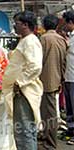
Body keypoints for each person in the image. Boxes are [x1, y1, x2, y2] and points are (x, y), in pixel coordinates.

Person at [2, 11, 43, 150]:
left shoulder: (30, 41)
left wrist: (19, 82)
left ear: (25, 25)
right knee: (23, 130)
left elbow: (35, 66)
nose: (14, 26)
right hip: (21, 90)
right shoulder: (25, 40)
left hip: (24, 91)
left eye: (17, 23)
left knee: (25, 131)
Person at [38, 14, 68, 150]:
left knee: (48, 113)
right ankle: (48, 138)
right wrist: (61, 78)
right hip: (56, 79)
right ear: (56, 26)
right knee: (50, 112)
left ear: (44, 25)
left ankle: (50, 143)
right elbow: (64, 62)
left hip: (45, 80)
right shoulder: (61, 40)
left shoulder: (43, 39)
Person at [62, 10, 74, 145]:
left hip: (73, 76)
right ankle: (71, 130)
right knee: (69, 106)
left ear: (71, 22)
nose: (64, 25)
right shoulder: (70, 36)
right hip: (68, 76)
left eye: (65, 23)